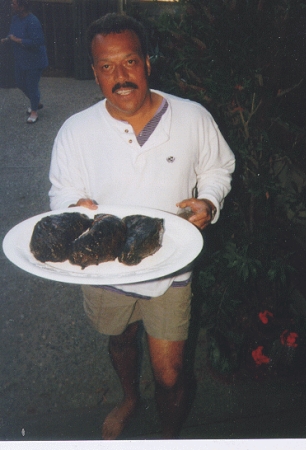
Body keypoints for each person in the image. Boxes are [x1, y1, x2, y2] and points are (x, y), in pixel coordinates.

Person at [48, 13, 235, 439]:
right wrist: (73, 207)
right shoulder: (75, 131)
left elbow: (219, 167)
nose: (121, 76)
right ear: (94, 72)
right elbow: (60, 194)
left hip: (172, 269)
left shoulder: (192, 117)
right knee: (119, 340)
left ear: (148, 62)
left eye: (129, 61)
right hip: (105, 272)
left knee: (170, 374)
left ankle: (167, 439)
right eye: (107, 66)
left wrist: (209, 200)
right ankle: (130, 397)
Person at [0, 0, 48, 123]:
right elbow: (12, 33)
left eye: (14, 4)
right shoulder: (15, 18)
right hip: (21, 58)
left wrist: (17, 40)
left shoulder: (33, 21)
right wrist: (7, 39)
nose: (11, 6)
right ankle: (36, 102)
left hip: (34, 60)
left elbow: (37, 42)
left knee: (32, 86)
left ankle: (34, 111)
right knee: (20, 83)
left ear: (22, 7)